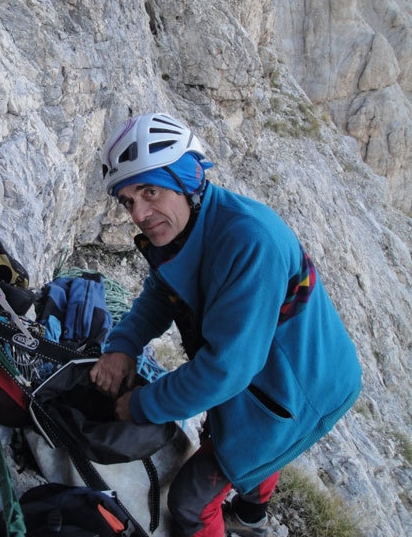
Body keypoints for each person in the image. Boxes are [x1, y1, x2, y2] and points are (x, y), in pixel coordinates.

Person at [89, 113, 362, 537]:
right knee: (237, 439)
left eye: (150, 191)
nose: (139, 213)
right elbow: (163, 293)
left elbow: (225, 371)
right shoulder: (186, 228)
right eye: (127, 201)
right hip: (268, 372)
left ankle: (243, 509)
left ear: (187, 180)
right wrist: (122, 346)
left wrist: (142, 404)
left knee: (191, 501)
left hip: (304, 388)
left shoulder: (250, 241)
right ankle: (253, 515)